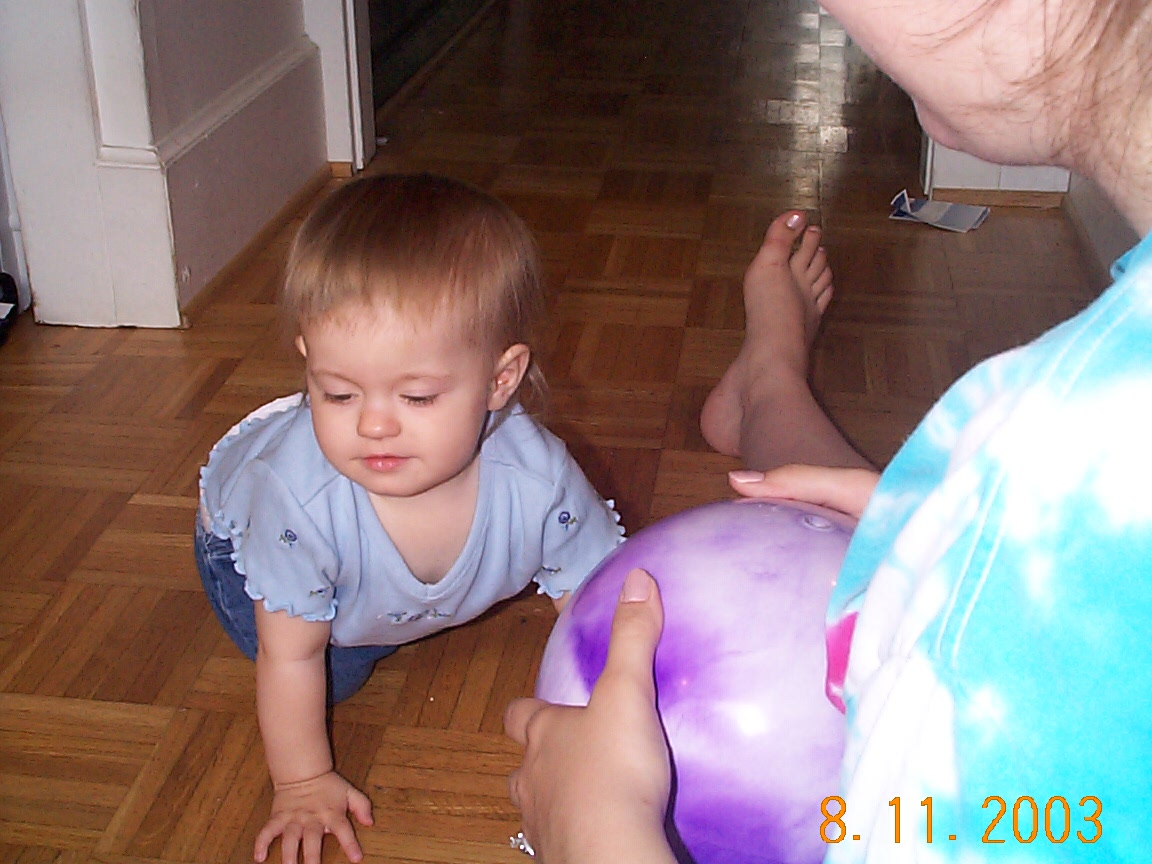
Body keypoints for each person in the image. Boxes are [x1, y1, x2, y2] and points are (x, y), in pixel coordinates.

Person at [505, 0, 1152, 860]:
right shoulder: (1101, 414)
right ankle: (769, 382)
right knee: (842, 508)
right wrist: (934, 532)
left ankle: (771, 380)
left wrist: (598, 834)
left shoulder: (1073, 428)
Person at [194, 173, 624, 864]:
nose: (373, 425)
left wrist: (628, 691)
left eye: (417, 397)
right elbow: (291, 655)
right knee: (334, 672)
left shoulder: (537, 478)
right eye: (337, 393)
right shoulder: (297, 501)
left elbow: (598, 597)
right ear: (308, 363)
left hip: (371, 577)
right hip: (247, 545)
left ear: (501, 380)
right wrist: (301, 782)